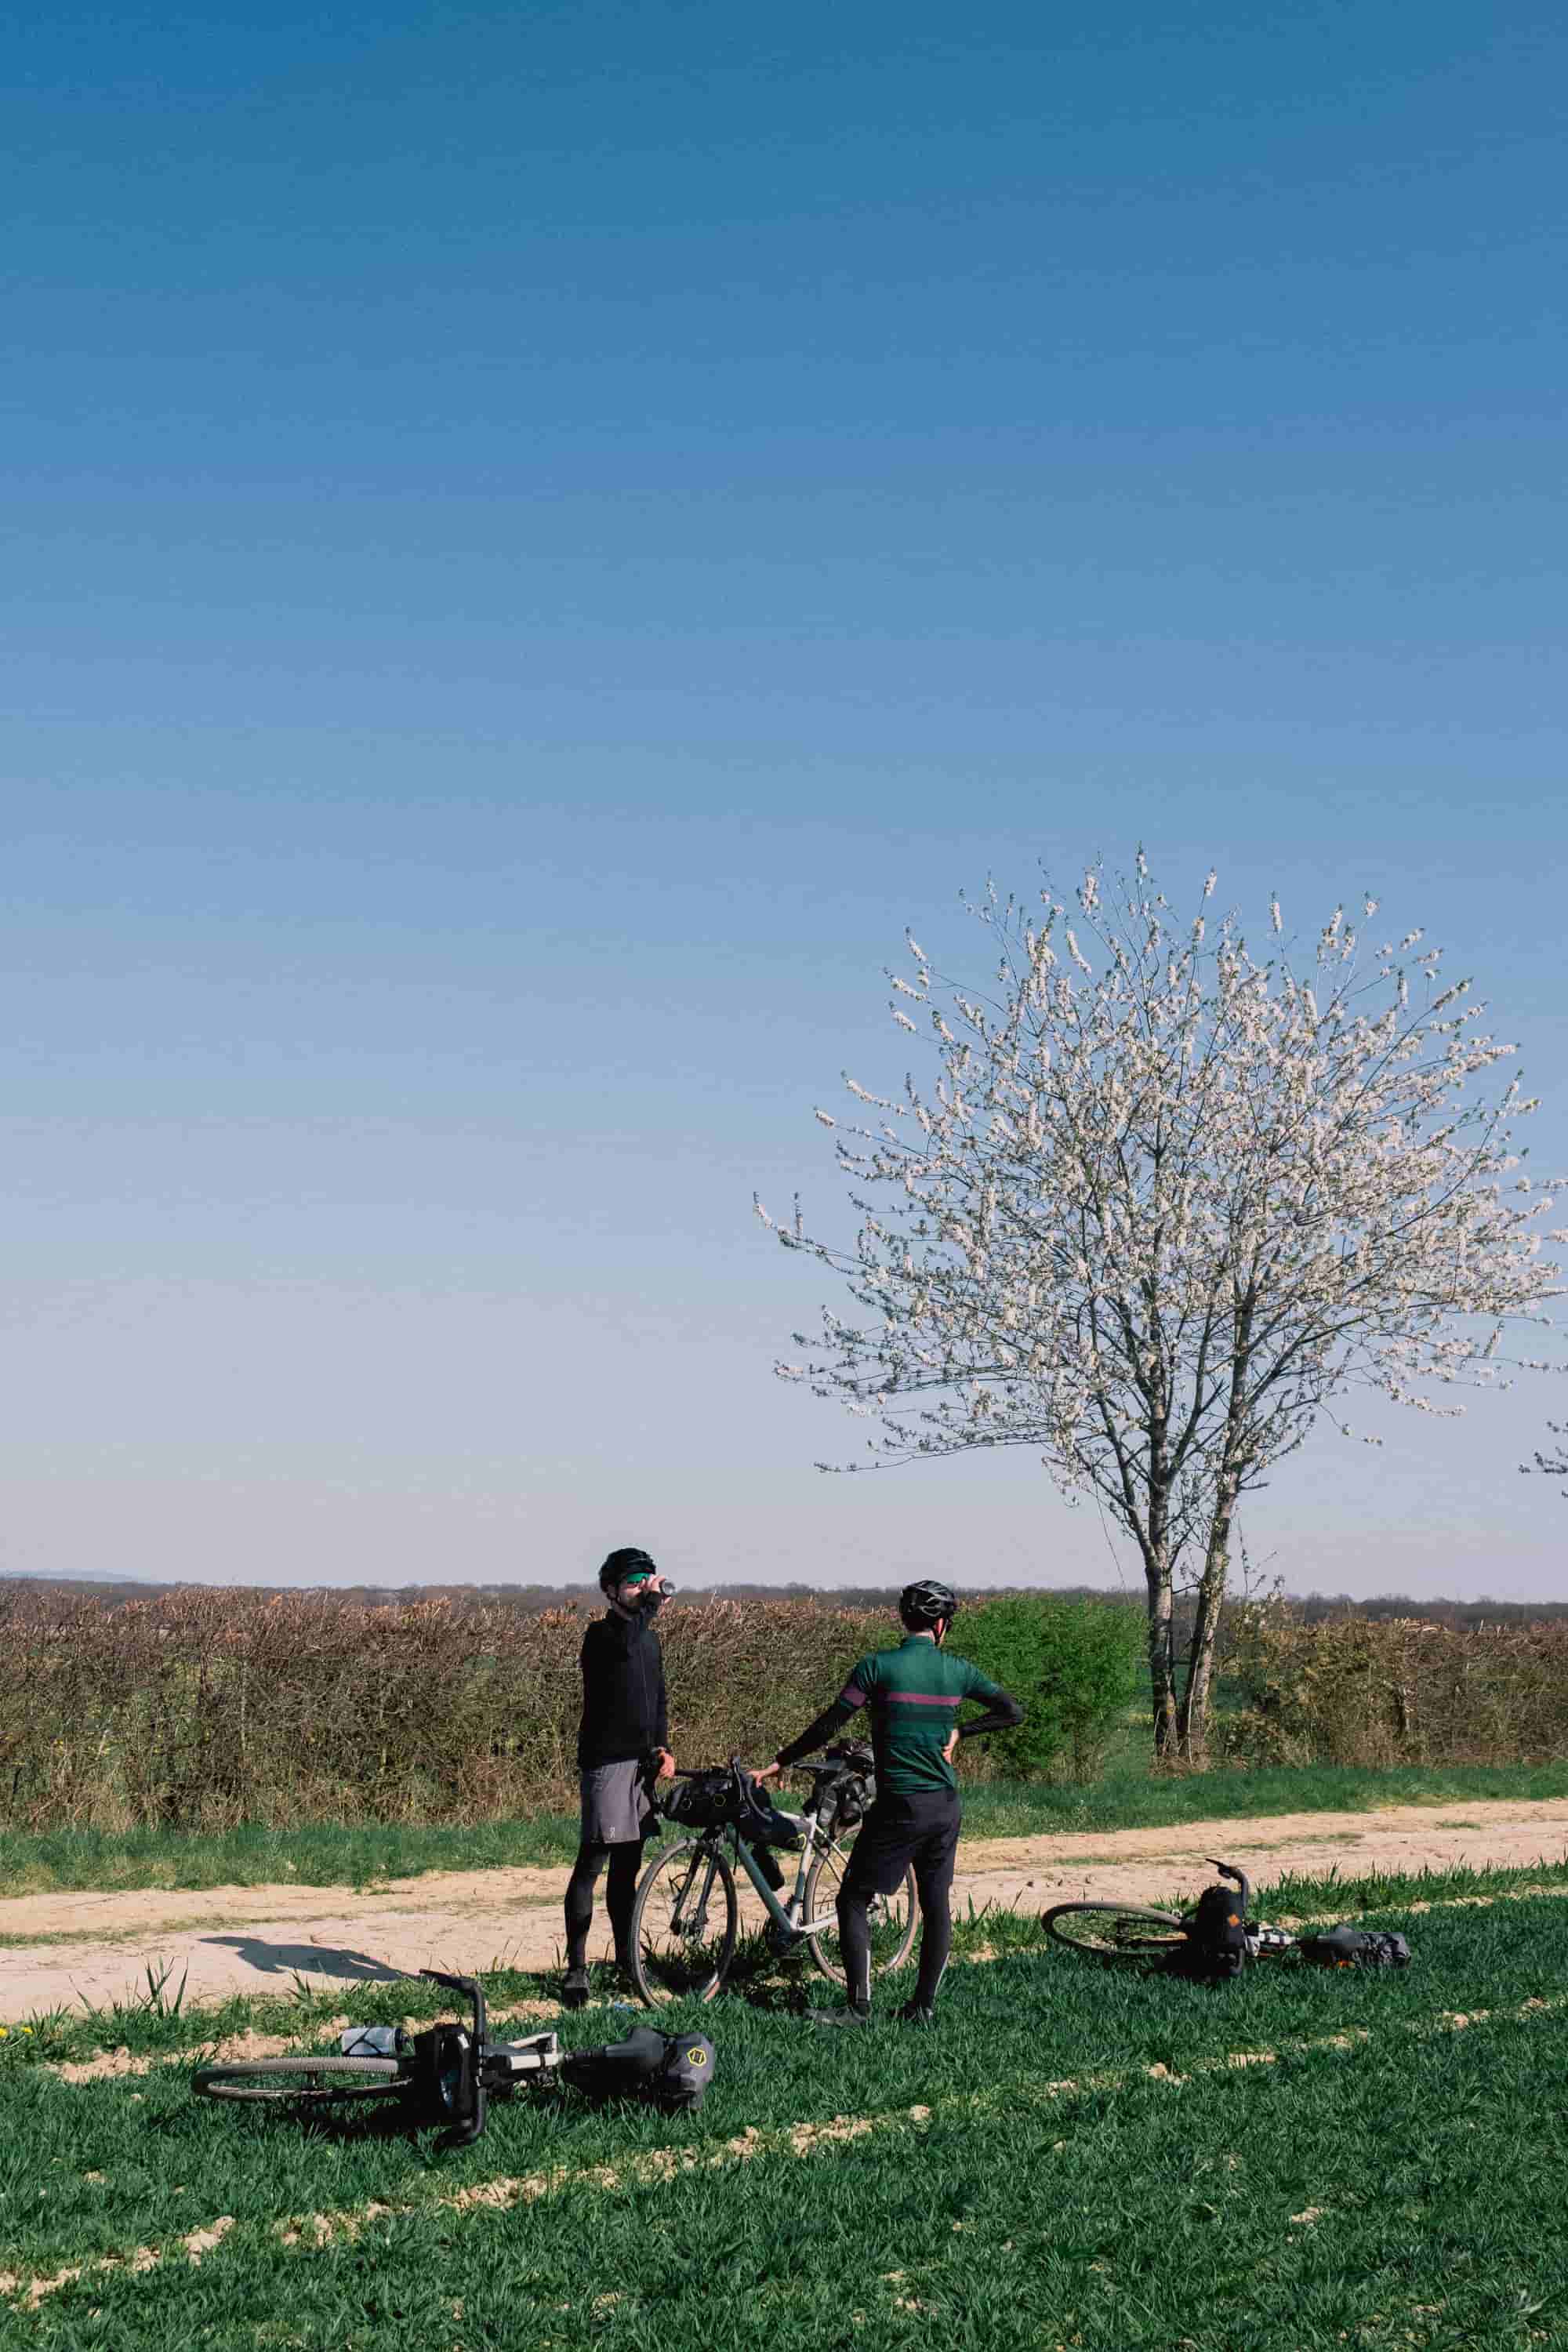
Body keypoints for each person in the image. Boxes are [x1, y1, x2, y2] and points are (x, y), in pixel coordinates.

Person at [753, 1580, 1022, 2027]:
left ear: (904, 1619)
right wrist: (962, 1732)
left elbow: (829, 1724)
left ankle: (858, 2007)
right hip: (945, 1805)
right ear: (941, 1625)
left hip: (900, 1805)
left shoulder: (877, 1667)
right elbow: (1012, 1711)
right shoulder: (959, 1671)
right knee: (937, 1906)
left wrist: (780, 1762)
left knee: (853, 1899)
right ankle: (924, 2009)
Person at [563, 1547, 677, 2009]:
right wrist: (648, 1607)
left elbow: (659, 1696)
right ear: (610, 1591)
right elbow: (627, 1644)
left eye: (647, 1581)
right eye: (633, 1583)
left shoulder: (649, 1638)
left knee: (627, 1871)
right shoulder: (601, 1636)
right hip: (607, 1763)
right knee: (592, 1865)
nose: (642, 1589)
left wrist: (664, 1746)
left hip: (642, 1765)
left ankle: (628, 1964)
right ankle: (576, 1968)